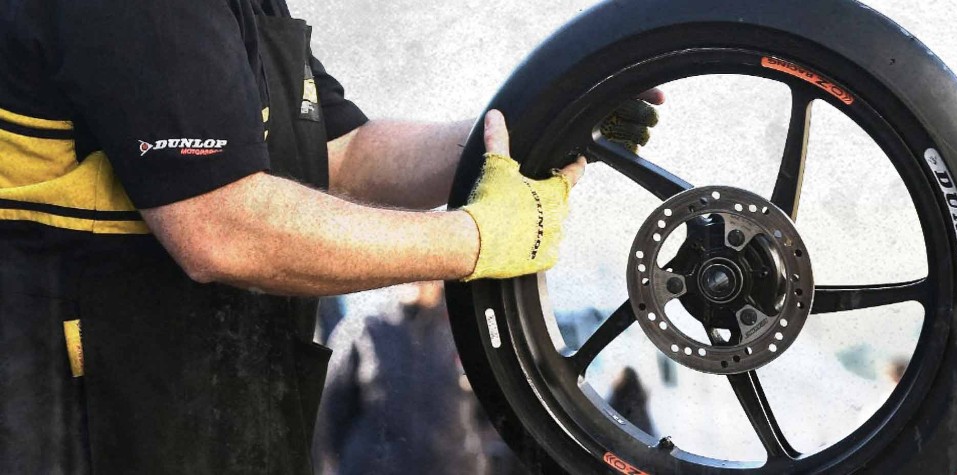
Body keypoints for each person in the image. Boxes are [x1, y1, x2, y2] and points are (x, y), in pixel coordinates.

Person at [0, 0, 659, 473]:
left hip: (207, 424)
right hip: (85, 432)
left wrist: (534, 125)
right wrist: (471, 239)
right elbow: (218, 225)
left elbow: (346, 154)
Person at [313, 281, 487, 474]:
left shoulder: (465, 331)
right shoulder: (363, 328)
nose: (418, 279)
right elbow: (330, 413)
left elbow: (492, 411)